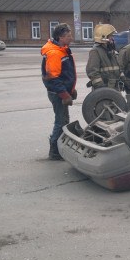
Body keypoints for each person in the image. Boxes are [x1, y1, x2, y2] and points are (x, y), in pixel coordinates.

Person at [41, 23, 77, 160]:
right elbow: (53, 78)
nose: (71, 38)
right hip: (57, 94)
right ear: (61, 37)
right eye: (68, 36)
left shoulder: (62, 49)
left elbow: (65, 74)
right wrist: (64, 94)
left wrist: (71, 89)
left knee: (64, 120)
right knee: (60, 121)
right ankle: (55, 151)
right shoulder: (55, 53)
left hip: (61, 91)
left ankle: (60, 148)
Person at [86, 24, 122, 90]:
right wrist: (102, 88)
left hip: (114, 90)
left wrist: (123, 80)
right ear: (104, 37)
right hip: (103, 92)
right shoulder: (95, 51)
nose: (112, 39)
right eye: (111, 36)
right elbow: (92, 72)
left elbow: (118, 69)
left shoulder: (111, 51)